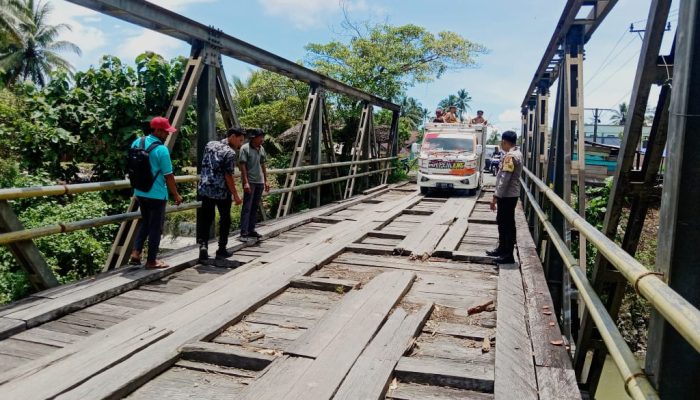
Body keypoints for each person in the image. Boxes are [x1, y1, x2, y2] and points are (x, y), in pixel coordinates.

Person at [129, 116, 183, 269]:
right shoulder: (161, 149)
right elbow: (169, 176)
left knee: (146, 222)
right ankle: (151, 261)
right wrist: (176, 195)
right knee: (155, 227)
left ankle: (135, 252)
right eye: (166, 132)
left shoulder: (137, 142)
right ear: (158, 131)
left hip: (140, 192)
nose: (167, 134)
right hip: (157, 194)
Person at [197, 128, 245, 261]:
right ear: (232, 136)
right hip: (221, 191)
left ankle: (203, 246)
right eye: (240, 140)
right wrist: (235, 194)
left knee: (206, 218)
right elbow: (228, 175)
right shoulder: (230, 153)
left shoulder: (210, 144)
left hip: (206, 188)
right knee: (225, 219)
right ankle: (221, 249)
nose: (240, 144)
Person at [486, 130, 522, 264]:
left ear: (504, 142)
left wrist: (495, 197)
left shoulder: (510, 156)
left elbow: (504, 180)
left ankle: (508, 255)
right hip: (511, 194)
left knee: (506, 224)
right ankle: (502, 249)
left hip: (507, 195)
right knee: (503, 221)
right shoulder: (517, 153)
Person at [238, 128, 270, 241]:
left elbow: (263, 165)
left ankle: (251, 230)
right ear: (254, 138)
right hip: (250, 181)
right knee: (247, 207)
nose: (262, 139)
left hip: (259, 181)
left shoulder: (261, 149)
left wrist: (266, 180)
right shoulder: (245, 148)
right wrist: (245, 182)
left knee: (255, 207)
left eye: (263, 137)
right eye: (260, 137)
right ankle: (244, 232)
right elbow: (242, 167)